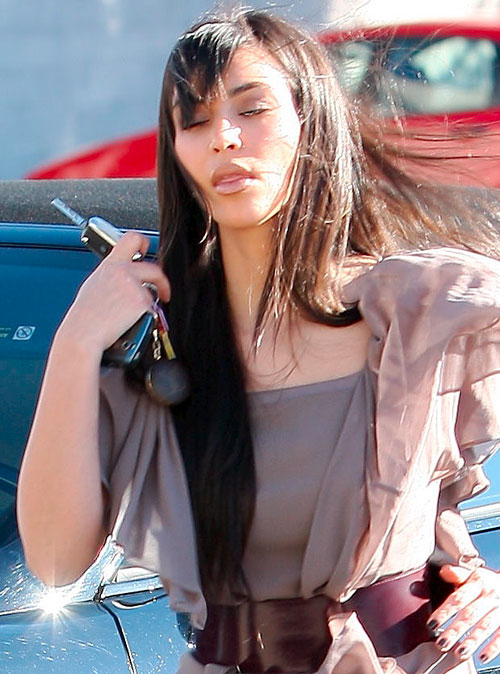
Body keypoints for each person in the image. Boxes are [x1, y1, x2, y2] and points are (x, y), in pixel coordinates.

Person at [16, 8, 500, 674]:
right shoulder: (159, 344)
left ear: (311, 121)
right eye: (194, 120)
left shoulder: (422, 307)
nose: (223, 138)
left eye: (252, 109)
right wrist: (75, 342)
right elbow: (52, 561)